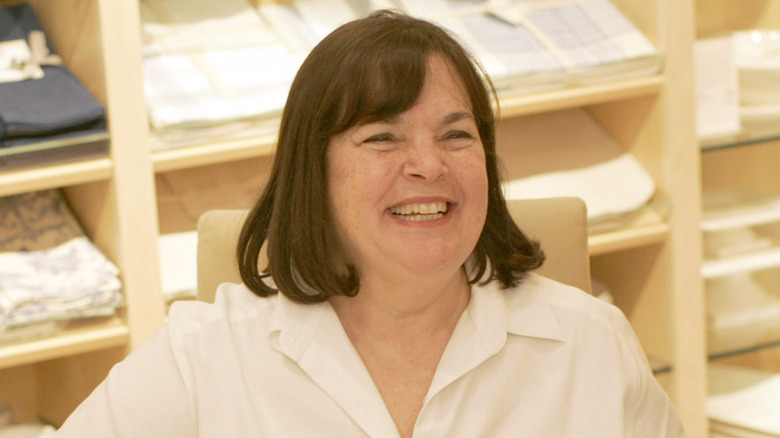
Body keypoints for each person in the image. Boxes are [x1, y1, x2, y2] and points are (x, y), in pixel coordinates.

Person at [56, 10, 687, 437]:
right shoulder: (204, 355)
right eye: (383, 137)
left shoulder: (591, 343)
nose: (428, 165)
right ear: (315, 174)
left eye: (456, 135)